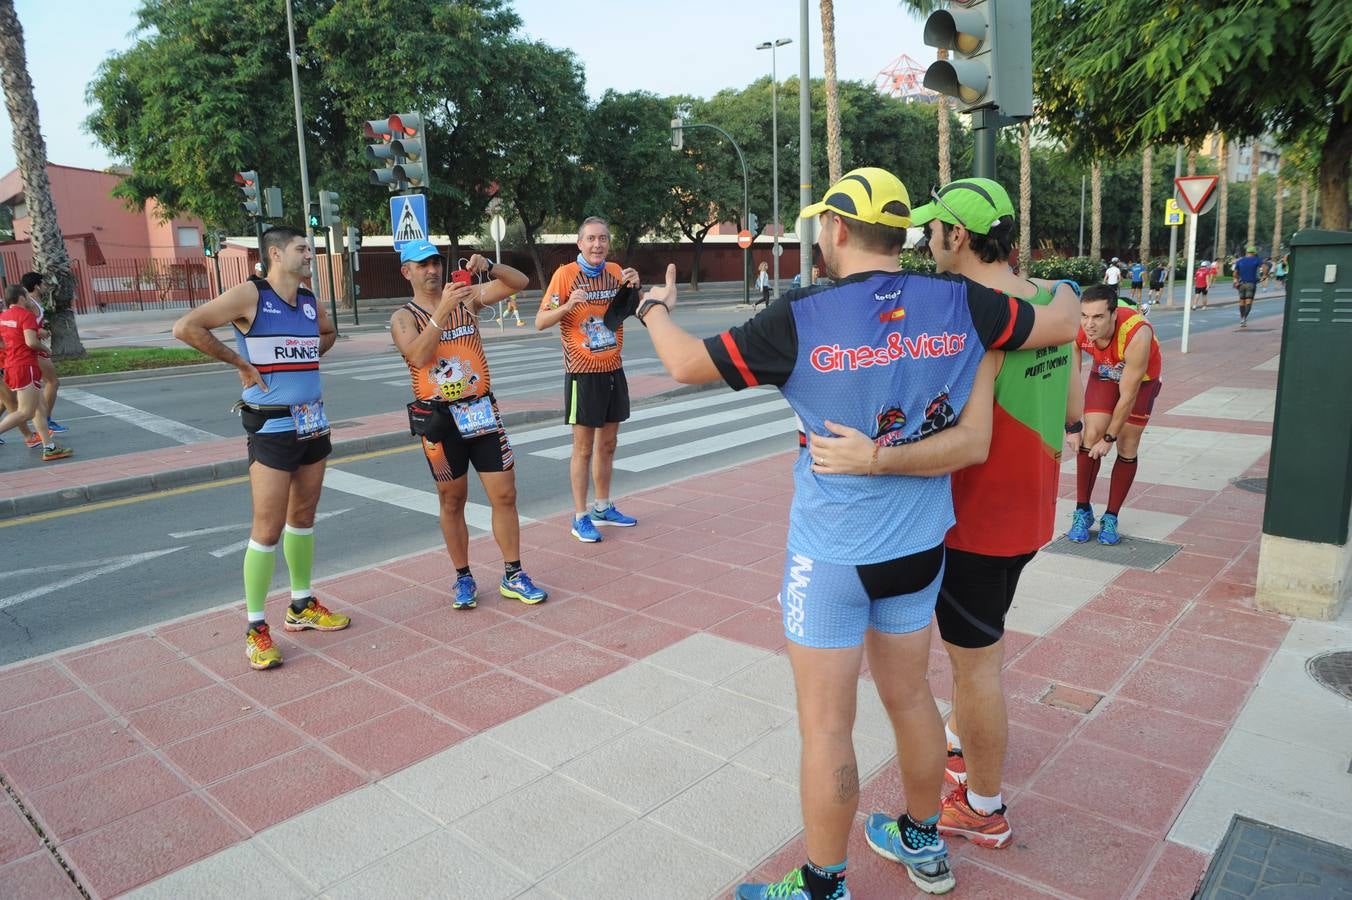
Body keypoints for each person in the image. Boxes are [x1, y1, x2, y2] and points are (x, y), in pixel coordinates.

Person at [637, 167, 1079, 899]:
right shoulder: (967, 302)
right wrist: (1069, 288)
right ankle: (921, 838)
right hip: (921, 546)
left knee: (826, 726)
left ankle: (824, 886)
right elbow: (1060, 321)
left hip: (833, 556)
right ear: (901, 233)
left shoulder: (800, 315)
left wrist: (654, 307)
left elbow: (685, 362)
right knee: (911, 699)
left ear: (836, 230)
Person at [897, 178, 1081, 851]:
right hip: (1030, 514)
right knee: (978, 652)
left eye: (932, 230)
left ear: (960, 236)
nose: (925, 241)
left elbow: (934, 428)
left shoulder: (969, 315)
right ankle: (961, 742)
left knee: (977, 667)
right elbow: (1068, 411)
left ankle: (982, 806)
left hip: (973, 522)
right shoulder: (1043, 301)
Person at [173, 226, 349, 671]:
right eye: (301, 248)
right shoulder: (250, 295)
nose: (310, 254)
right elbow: (186, 326)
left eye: (310, 248)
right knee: (267, 529)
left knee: (304, 519)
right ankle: (255, 629)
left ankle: (301, 605)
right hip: (270, 428)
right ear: (275, 252)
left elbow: (327, 332)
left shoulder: (309, 300)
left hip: (313, 421)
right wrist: (240, 362)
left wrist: (304, 353)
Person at [390, 241, 547, 610]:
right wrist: (441, 312)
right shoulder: (403, 317)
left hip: (480, 411)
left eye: (435, 262)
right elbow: (418, 355)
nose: (432, 270)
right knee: (452, 499)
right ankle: (463, 576)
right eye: (422, 264)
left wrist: (489, 265)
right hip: (439, 421)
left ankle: (513, 573)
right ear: (406, 272)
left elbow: (518, 283)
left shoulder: (467, 298)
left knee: (505, 494)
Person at [536, 217, 642, 543]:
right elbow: (541, 321)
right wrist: (568, 304)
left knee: (608, 445)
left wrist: (635, 286)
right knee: (583, 448)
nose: (598, 245)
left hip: (613, 369)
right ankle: (580, 516)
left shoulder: (615, 271)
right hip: (582, 374)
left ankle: (602, 506)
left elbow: (627, 310)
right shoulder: (565, 275)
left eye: (603, 239)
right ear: (580, 243)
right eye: (591, 239)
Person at [1067, 285, 1163, 546]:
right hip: (1106, 371)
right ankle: (1082, 510)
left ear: (1113, 315)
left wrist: (1109, 438)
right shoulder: (1079, 329)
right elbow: (1071, 380)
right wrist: (1071, 425)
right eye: (1085, 316)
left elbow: (1128, 396)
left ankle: (1111, 515)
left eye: (1098, 317)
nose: (1089, 324)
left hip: (1140, 380)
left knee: (1127, 443)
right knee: (1090, 434)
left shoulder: (1137, 334)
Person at [0, 286, 71, 460]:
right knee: (26, 412)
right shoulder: (26, 316)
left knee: (39, 408)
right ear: (22, 298)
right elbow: (31, 342)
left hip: (13, 365)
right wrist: (46, 349)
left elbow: (2, 342)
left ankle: (49, 447)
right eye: (26, 296)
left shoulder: (3, 317)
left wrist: (13, 347)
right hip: (25, 366)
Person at [18, 273, 68, 434]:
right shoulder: (29, 303)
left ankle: (44, 422)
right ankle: (46, 421)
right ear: (37, 285)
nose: (46, 286)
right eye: (44, 283)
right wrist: (39, 331)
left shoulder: (34, 302)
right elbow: (23, 325)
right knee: (53, 382)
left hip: (31, 348)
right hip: (32, 349)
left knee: (9, 400)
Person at [1233, 245, 1263, 328]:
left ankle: (1242, 318)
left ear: (1247, 253)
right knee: (1248, 302)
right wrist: (1264, 276)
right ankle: (1244, 319)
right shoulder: (1256, 260)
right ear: (1254, 253)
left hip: (1241, 284)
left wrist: (1235, 281)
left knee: (1241, 302)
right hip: (1251, 284)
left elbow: (1235, 273)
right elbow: (1264, 267)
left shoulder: (1240, 261)